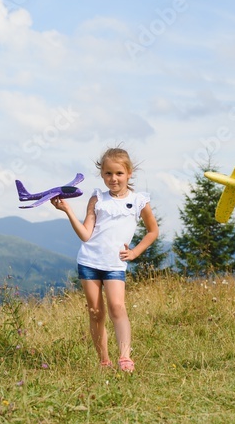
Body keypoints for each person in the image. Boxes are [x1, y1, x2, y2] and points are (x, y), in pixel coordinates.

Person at [52, 147, 158, 373]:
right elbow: (85, 234)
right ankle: (104, 360)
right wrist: (68, 211)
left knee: (117, 307)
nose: (113, 178)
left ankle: (125, 357)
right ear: (102, 175)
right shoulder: (97, 198)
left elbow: (152, 231)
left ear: (129, 173)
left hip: (114, 265)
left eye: (119, 173)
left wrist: (135, 253)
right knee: (95, 312)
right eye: (108, 173)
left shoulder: (139, 200)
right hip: (89, 261)